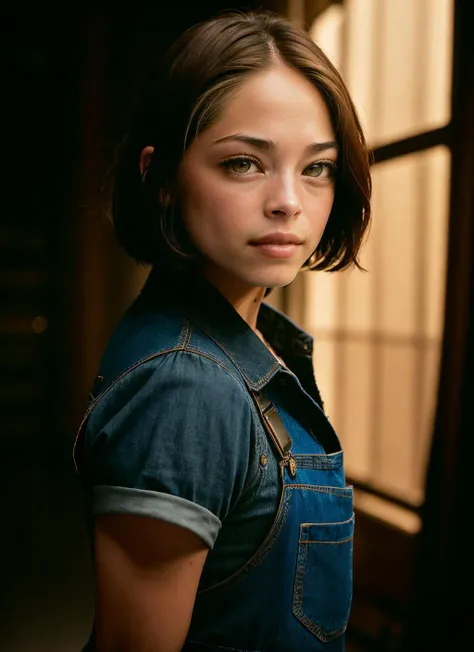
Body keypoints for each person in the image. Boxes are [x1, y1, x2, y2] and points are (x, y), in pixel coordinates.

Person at [73, 9, 371, 652]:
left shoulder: (252, 342)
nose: (288, 200)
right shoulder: (186, 387)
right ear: (162, 179)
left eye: (316, 167)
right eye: (243, 163)